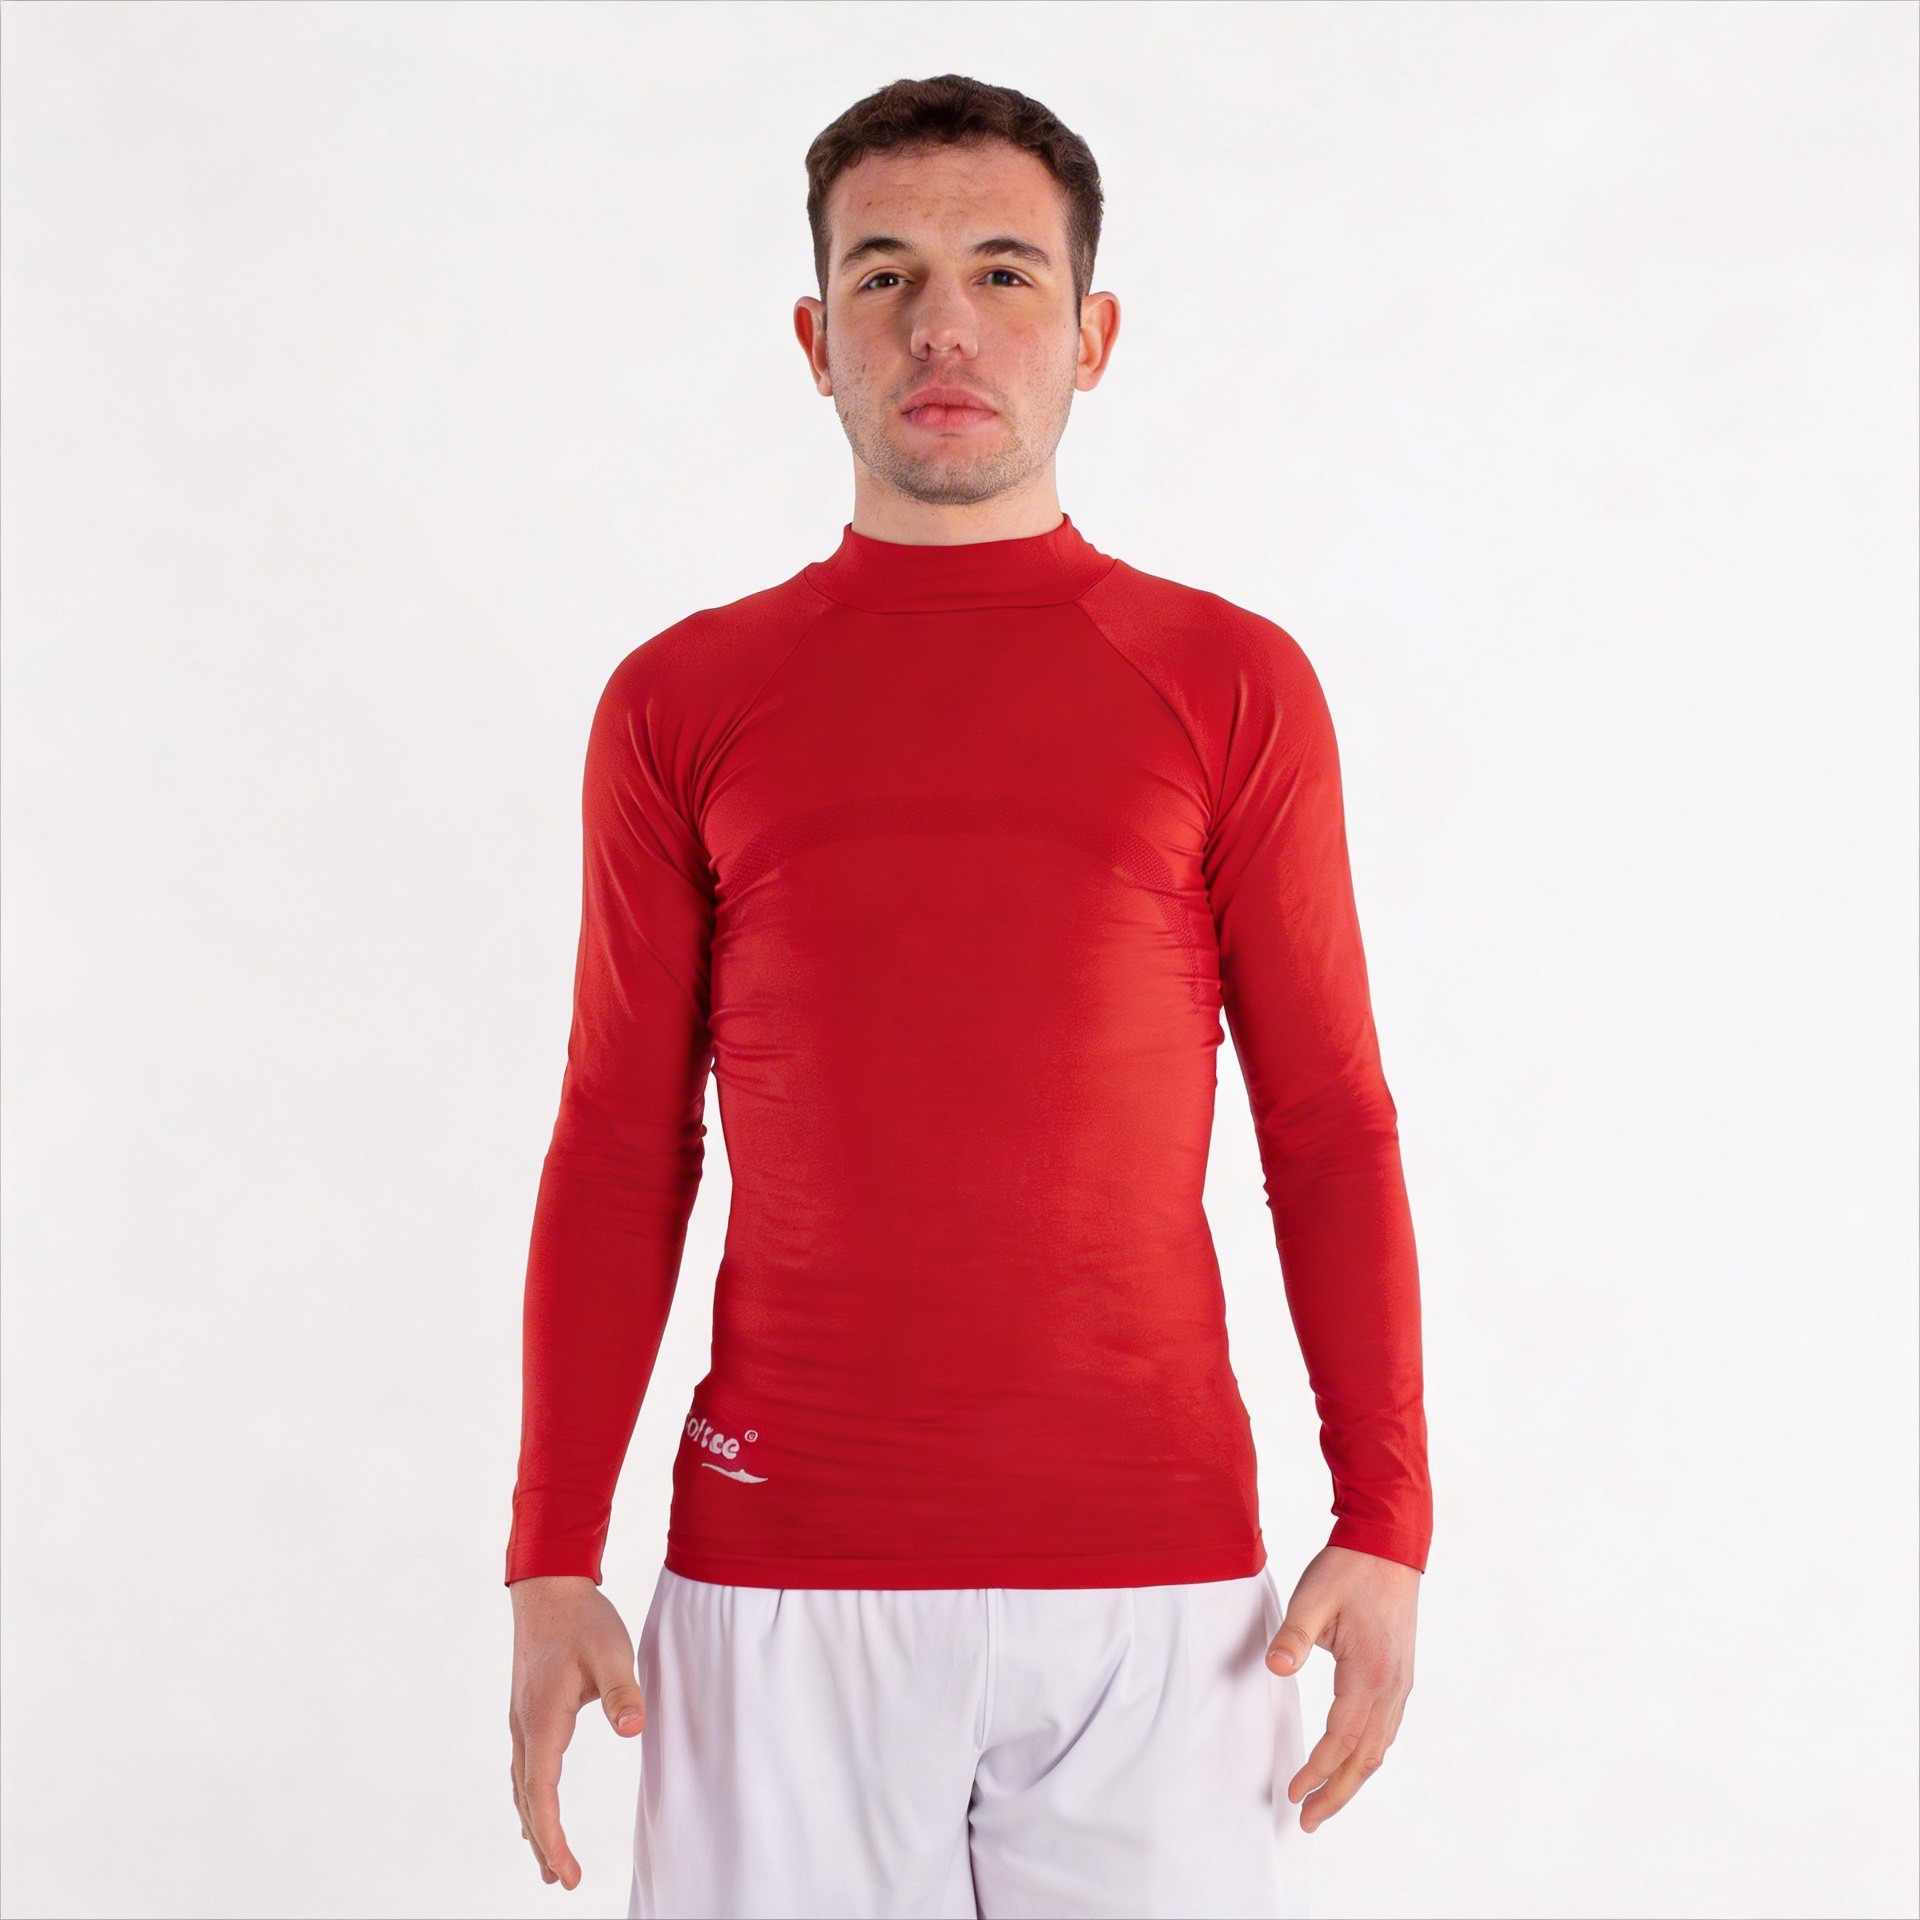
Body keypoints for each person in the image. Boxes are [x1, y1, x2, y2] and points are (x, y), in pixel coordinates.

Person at [505, 72, 1429, 1920]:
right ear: (814, 338)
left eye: (1005, 272)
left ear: (1092, 336)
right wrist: (551, 1554)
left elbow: (1327, 1118)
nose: (944, 324)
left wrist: (1385, 1518)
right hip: (781, 1577)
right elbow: (619, 1140)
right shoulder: (684, 700)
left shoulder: (1229, 682)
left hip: (1162, 1597)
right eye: (886, 275)